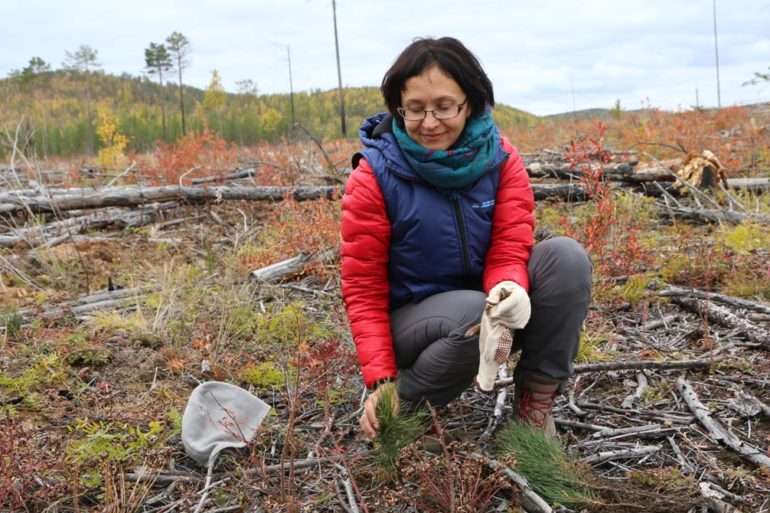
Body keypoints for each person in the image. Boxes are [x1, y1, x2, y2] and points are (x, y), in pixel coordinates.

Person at [340, 37, 592, 439]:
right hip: (412, 321)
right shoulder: (374, 176)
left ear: (470, 102)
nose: (429, 122)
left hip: (482, 303)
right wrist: (381, 379)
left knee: (566, 259)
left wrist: (509, 291)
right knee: (473, 311)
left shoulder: (501, 159)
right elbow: (363, 288)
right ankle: (399, 407)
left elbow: (510, 245)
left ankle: (534, 409)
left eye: (444, 107)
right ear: (398, 107)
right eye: (415, 109)